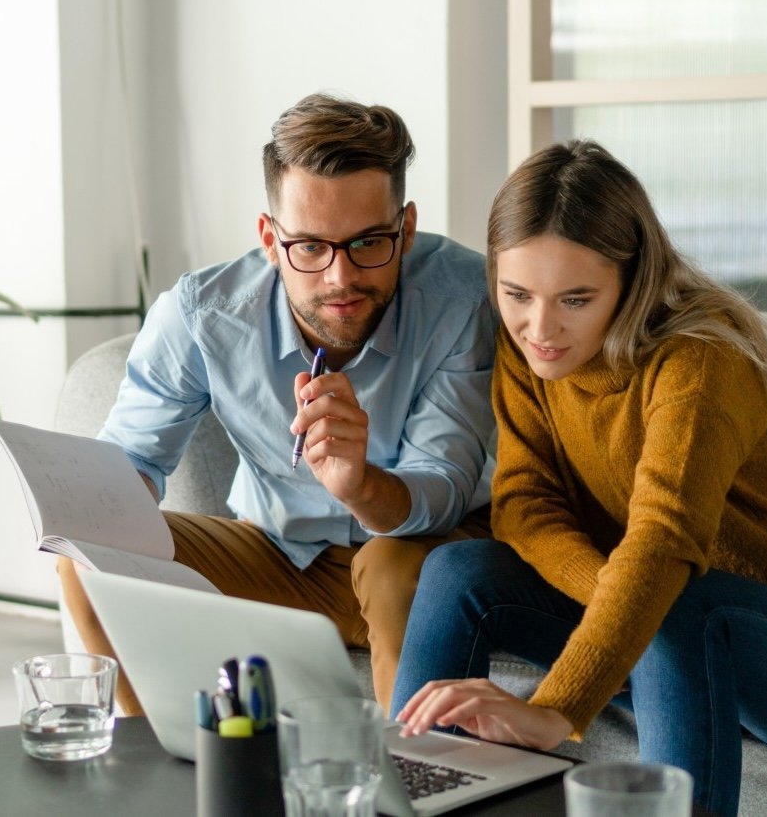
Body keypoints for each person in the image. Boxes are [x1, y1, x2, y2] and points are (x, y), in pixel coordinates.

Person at [390, 139, 767, 816]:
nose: (541, 328)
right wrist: (615, 601)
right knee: (460, 570)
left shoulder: (698, 360)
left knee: (672, 594)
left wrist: (557, 707)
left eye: (576, 298)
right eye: (517, 294)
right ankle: (406, 797)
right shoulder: (530, 351)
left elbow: (662, 542)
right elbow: (526, 505)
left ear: (633, 280)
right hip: (669, 631)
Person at [58, 92, 495, 717]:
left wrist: (360, 483)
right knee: (86, 560)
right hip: (278, 554)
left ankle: (415, 785)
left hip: (420, 551)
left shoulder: (461, 299)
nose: (340, 278)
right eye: (310, 248)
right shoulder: (201, 315)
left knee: (392, 568)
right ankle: (148, 769)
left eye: (370, 243)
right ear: (269, 237)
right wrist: (90, 502)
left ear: (406, 229)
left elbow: (444, 486)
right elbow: (127, 462)